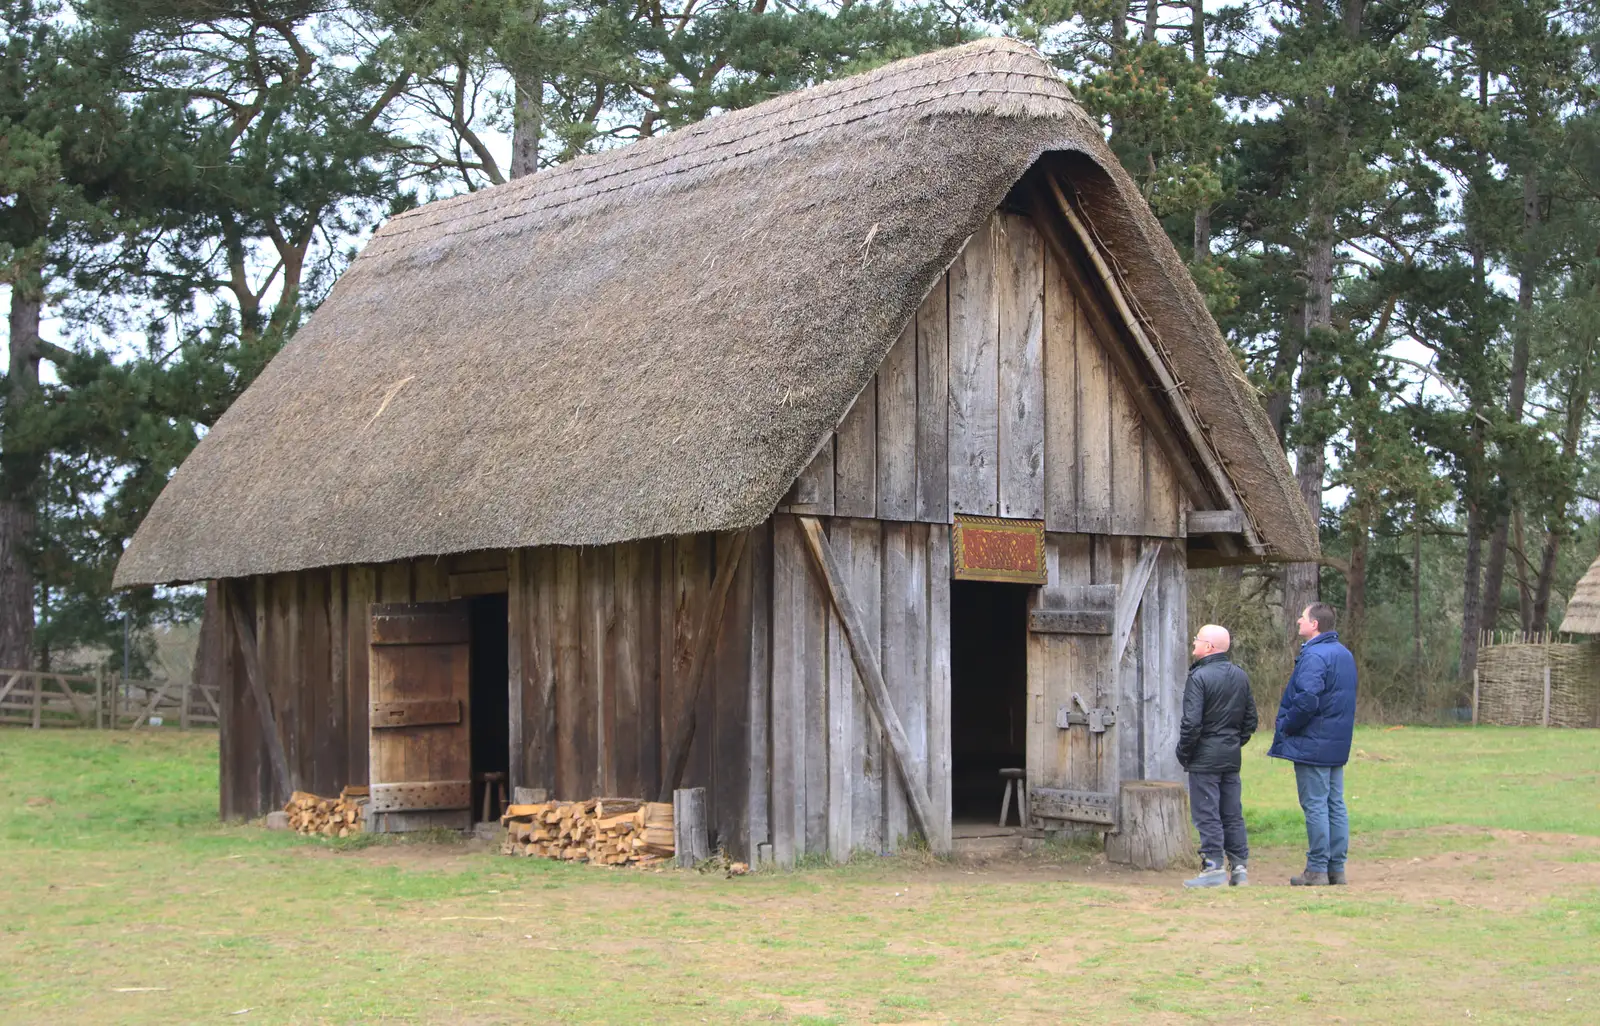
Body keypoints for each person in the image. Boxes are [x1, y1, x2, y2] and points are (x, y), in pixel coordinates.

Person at [1269, 602, 1358, 886]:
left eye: (1303, 617)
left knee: (1316, 804)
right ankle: (1336, 869)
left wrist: (1287, 726)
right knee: (1335, 803)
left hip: (1313, 742)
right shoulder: (1344, 654)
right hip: (1336, 741)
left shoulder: (1315, 656)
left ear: (1315, 624)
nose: (1298, 620)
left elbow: (1307, 699)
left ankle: (1317, 869)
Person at [1178, 624, 1258, 888]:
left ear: (1209, 647)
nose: (1193, 645)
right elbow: (1251, 721)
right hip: (1230, 756)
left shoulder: (1199, 678)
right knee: (1232, 812)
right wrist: (1233, 742)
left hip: (1205, 757)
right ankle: (1239, 868)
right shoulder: (1241, 676)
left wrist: (1184, 752)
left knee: (1207, 812)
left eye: (1197, 640)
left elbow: (1191, 723)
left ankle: (1212, 867)